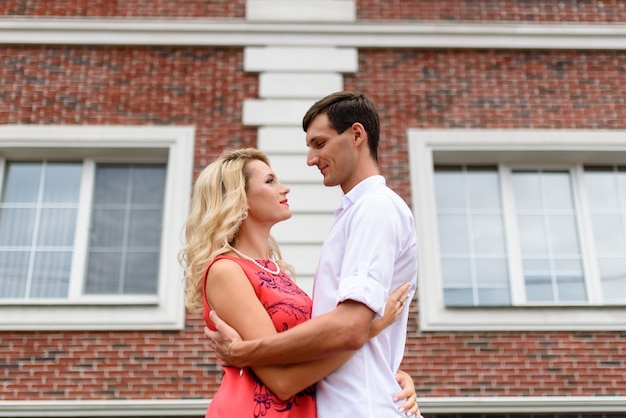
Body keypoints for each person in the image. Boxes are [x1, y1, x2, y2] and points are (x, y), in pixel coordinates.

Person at [206, 91, 420, 418]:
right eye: (270, 180)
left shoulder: (374, 208)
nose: (309, 159)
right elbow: (342, 335)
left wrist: (242, 351)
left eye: (319, 144)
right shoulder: (353, 214)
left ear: (357, 135)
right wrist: (380, 353)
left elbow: (349, 329)